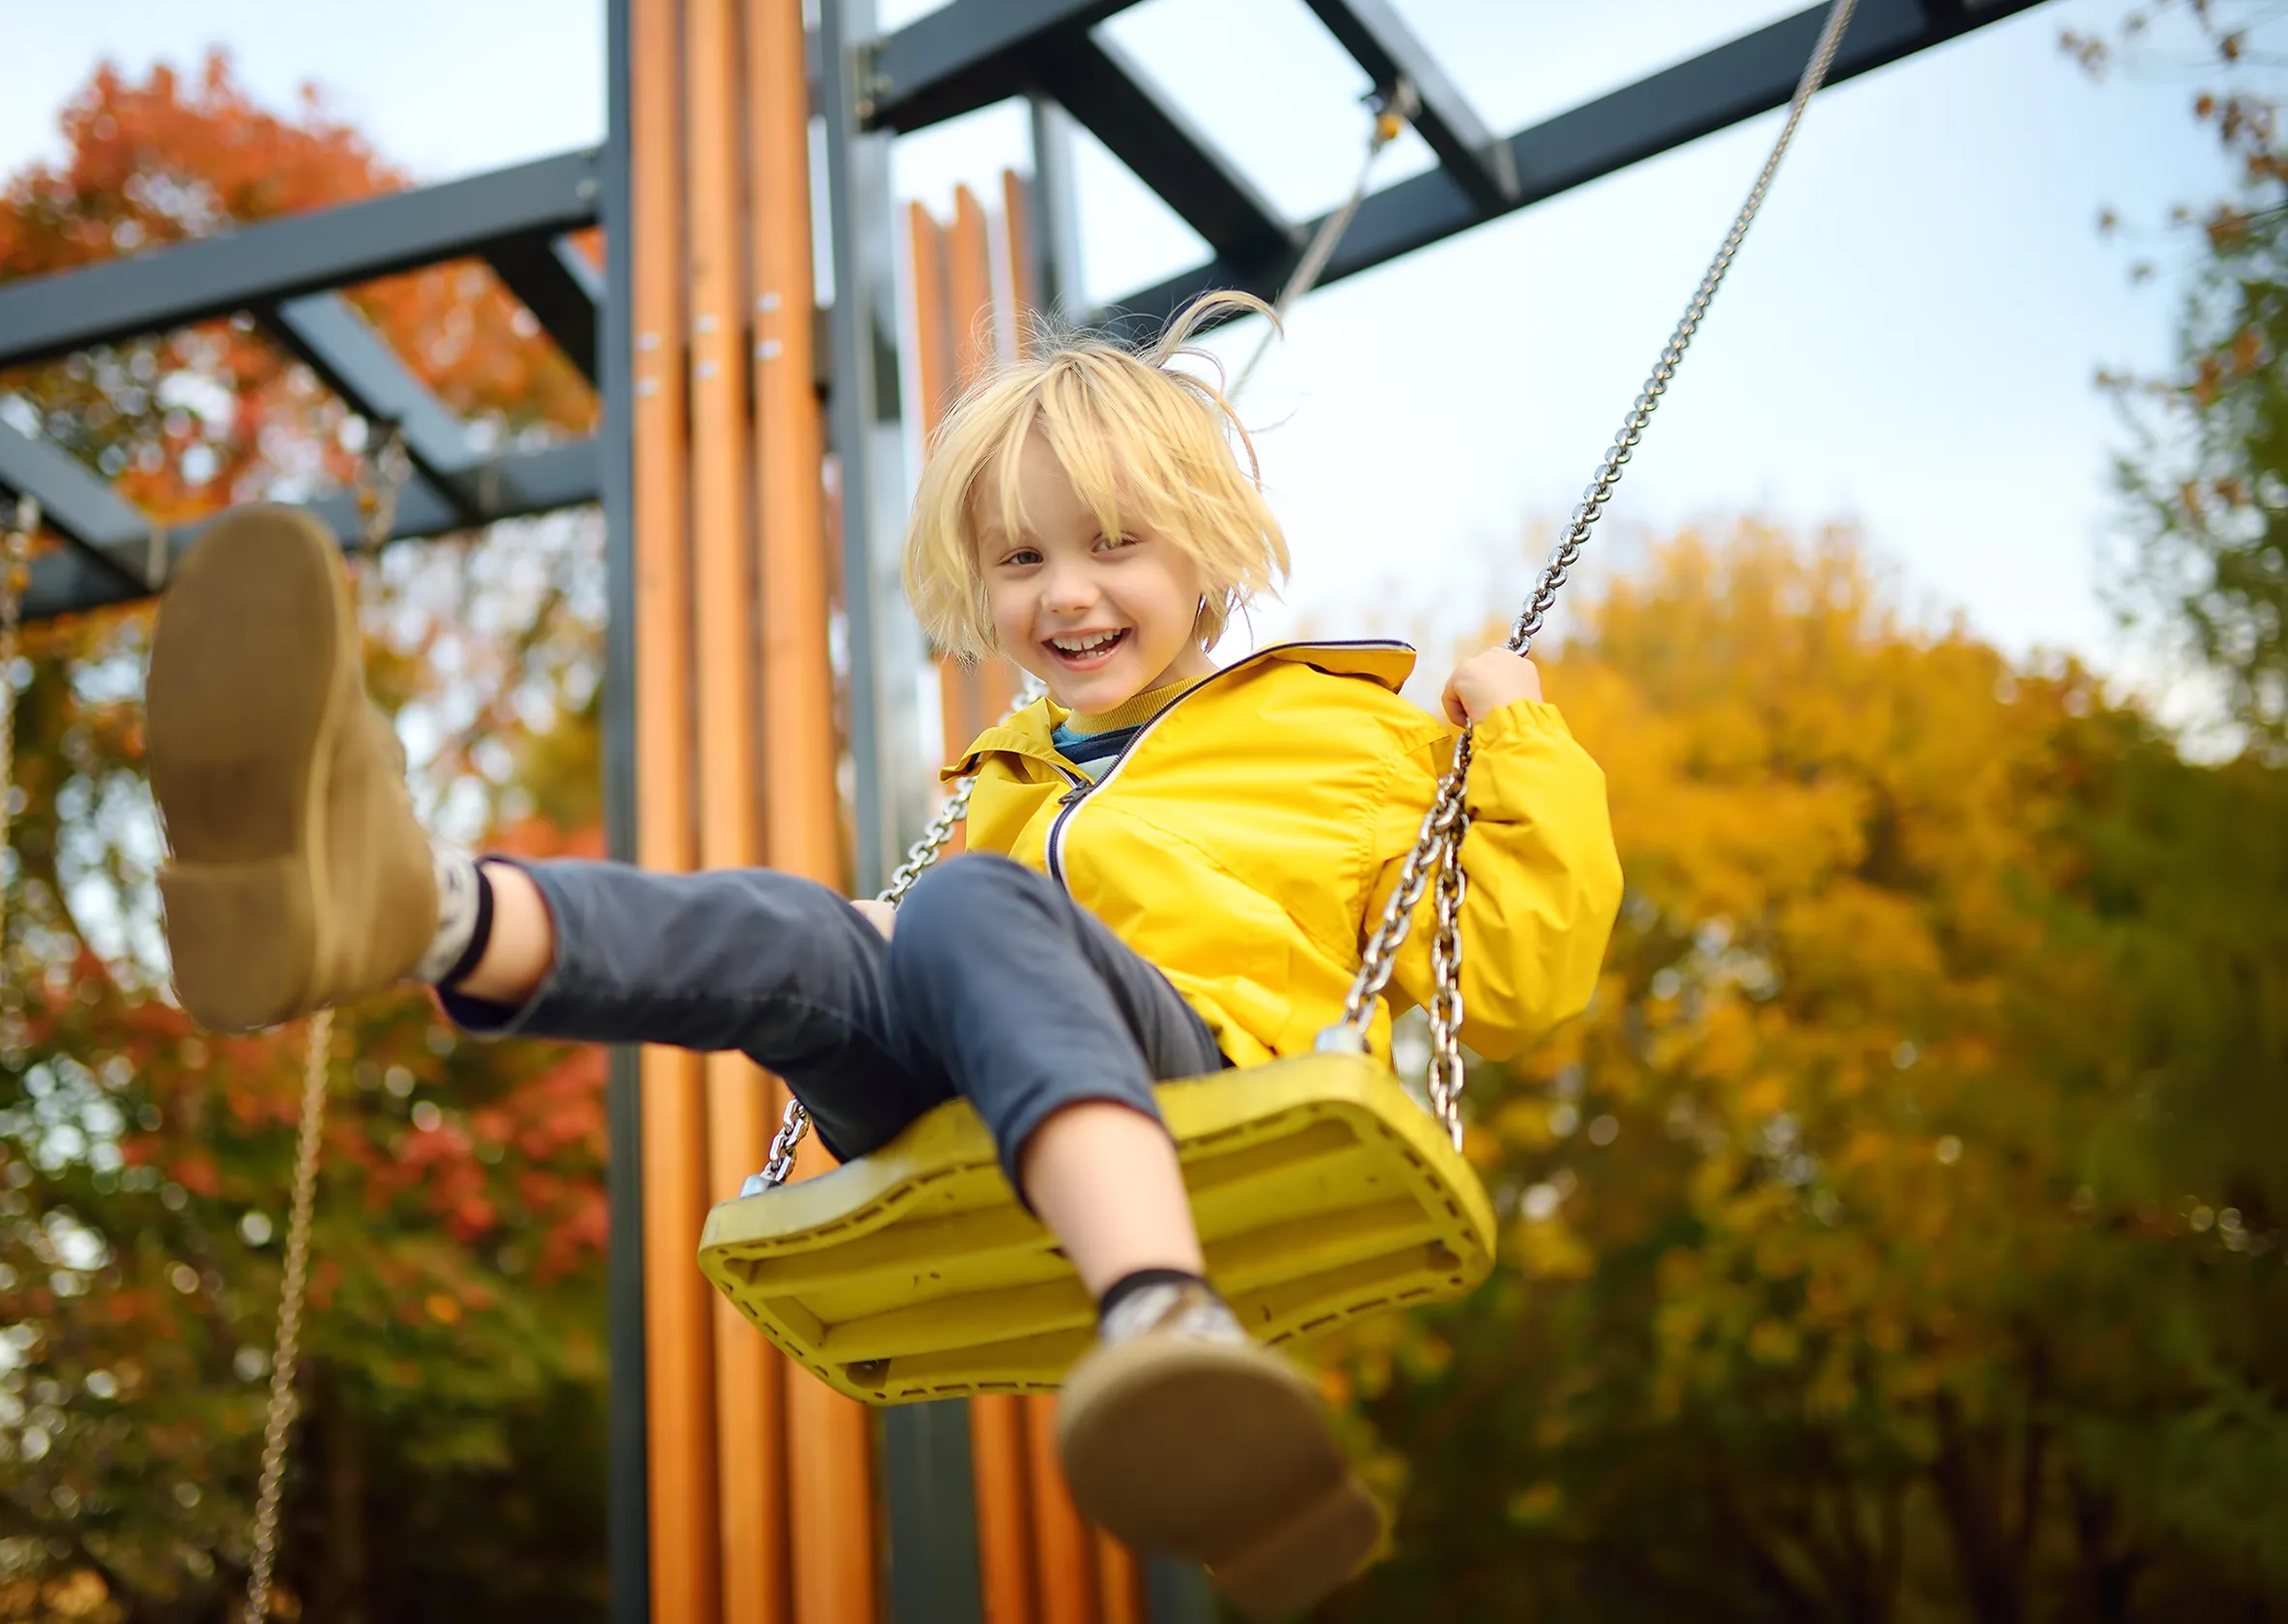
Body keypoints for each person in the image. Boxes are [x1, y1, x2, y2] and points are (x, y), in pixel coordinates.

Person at [143, 292, 1621, 1619]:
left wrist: (1517, 737)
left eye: (1115, 545)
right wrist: (889, 932)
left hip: (1205, 1095)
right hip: (958, 1106)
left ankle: (1166, 1314)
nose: (1066, 594)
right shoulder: (1002, 778)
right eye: (1022, 557)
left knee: (962, 914)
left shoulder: (1346, 735)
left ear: (1209, 550)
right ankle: (411, 908)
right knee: (808, 929)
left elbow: (1518, 982)